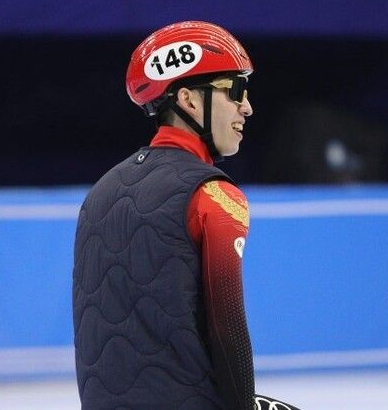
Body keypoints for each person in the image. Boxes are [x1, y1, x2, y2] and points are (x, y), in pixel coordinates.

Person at [72, 21, 298, 410]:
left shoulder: (99, 193)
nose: (247, 107)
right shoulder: (213, 196)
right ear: (190, 100)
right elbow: (227, 329)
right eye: (235, 90)